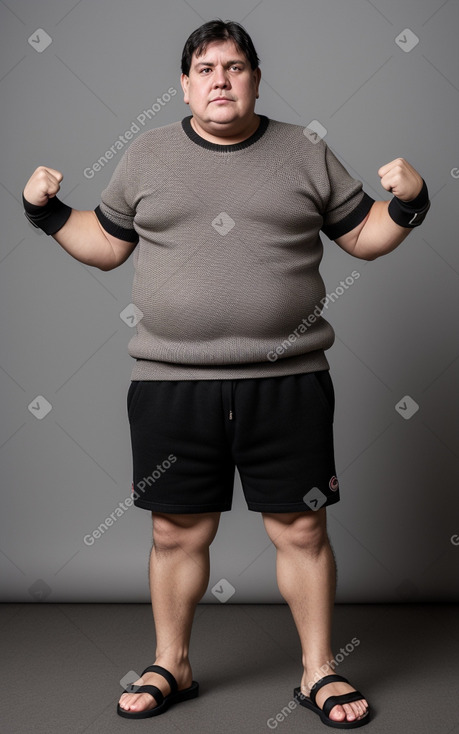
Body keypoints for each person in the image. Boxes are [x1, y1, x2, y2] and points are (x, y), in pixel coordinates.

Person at [22, 19, 430, 728]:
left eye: (235, 67)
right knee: (175, 532)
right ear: (184, 84)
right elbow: (107, 246)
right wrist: (46, 211)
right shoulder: (147, 155)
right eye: (206, 68)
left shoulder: (302, 149)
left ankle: (317, 671)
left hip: (288, 382)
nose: (220, 79)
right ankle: (171, 664)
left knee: (301, 530)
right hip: (171, 384)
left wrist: (409, 203)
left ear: (256, 79)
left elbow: (363, 236)